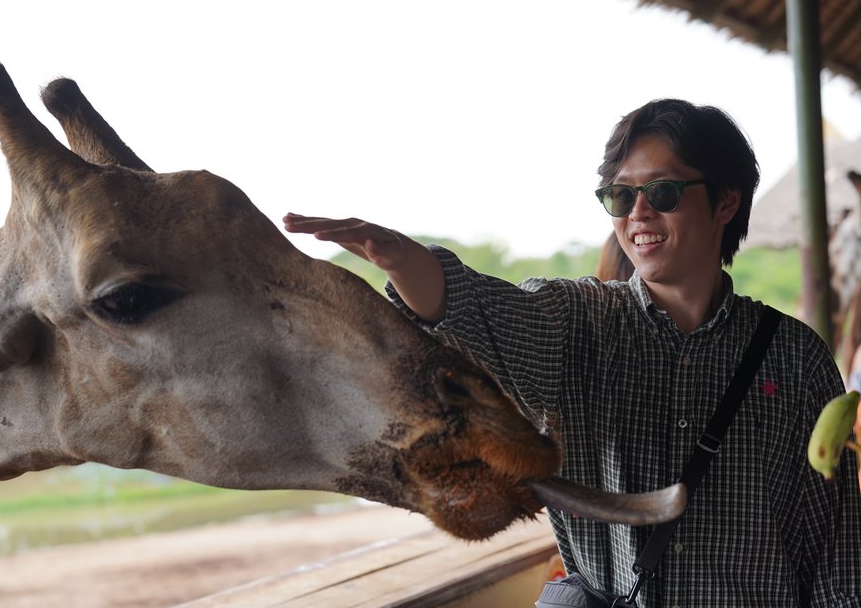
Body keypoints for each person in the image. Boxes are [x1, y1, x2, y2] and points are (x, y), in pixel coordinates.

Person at [284, 98, 861, 606]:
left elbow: (836, 542)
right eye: (620, 195)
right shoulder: (577, 323)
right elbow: (477, 313)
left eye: (661, 192)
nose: (637, 213)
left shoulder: (795, 358)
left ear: (726, 201)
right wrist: (403, 261)